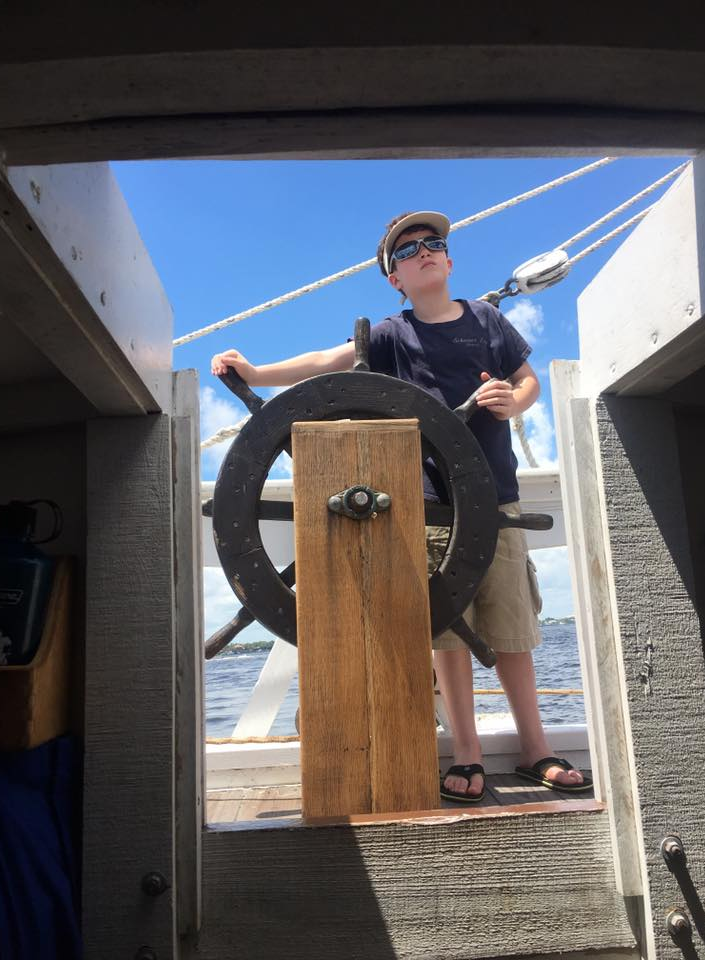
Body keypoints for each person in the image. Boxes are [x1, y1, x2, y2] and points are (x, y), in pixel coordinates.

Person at [211, 210, 591, 802]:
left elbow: (528, 379)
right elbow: (327, 363)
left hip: (496, 499)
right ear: (394, 278)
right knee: (446, 634)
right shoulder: (392, 334)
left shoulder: (488, 319)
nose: (424, 252)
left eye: (433, 244)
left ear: (450, 258)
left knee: (512, 631)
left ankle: (534, 749)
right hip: (431, 507)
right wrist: (257, 371)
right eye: (408, 251)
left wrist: (514, 404)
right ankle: (467, 754)